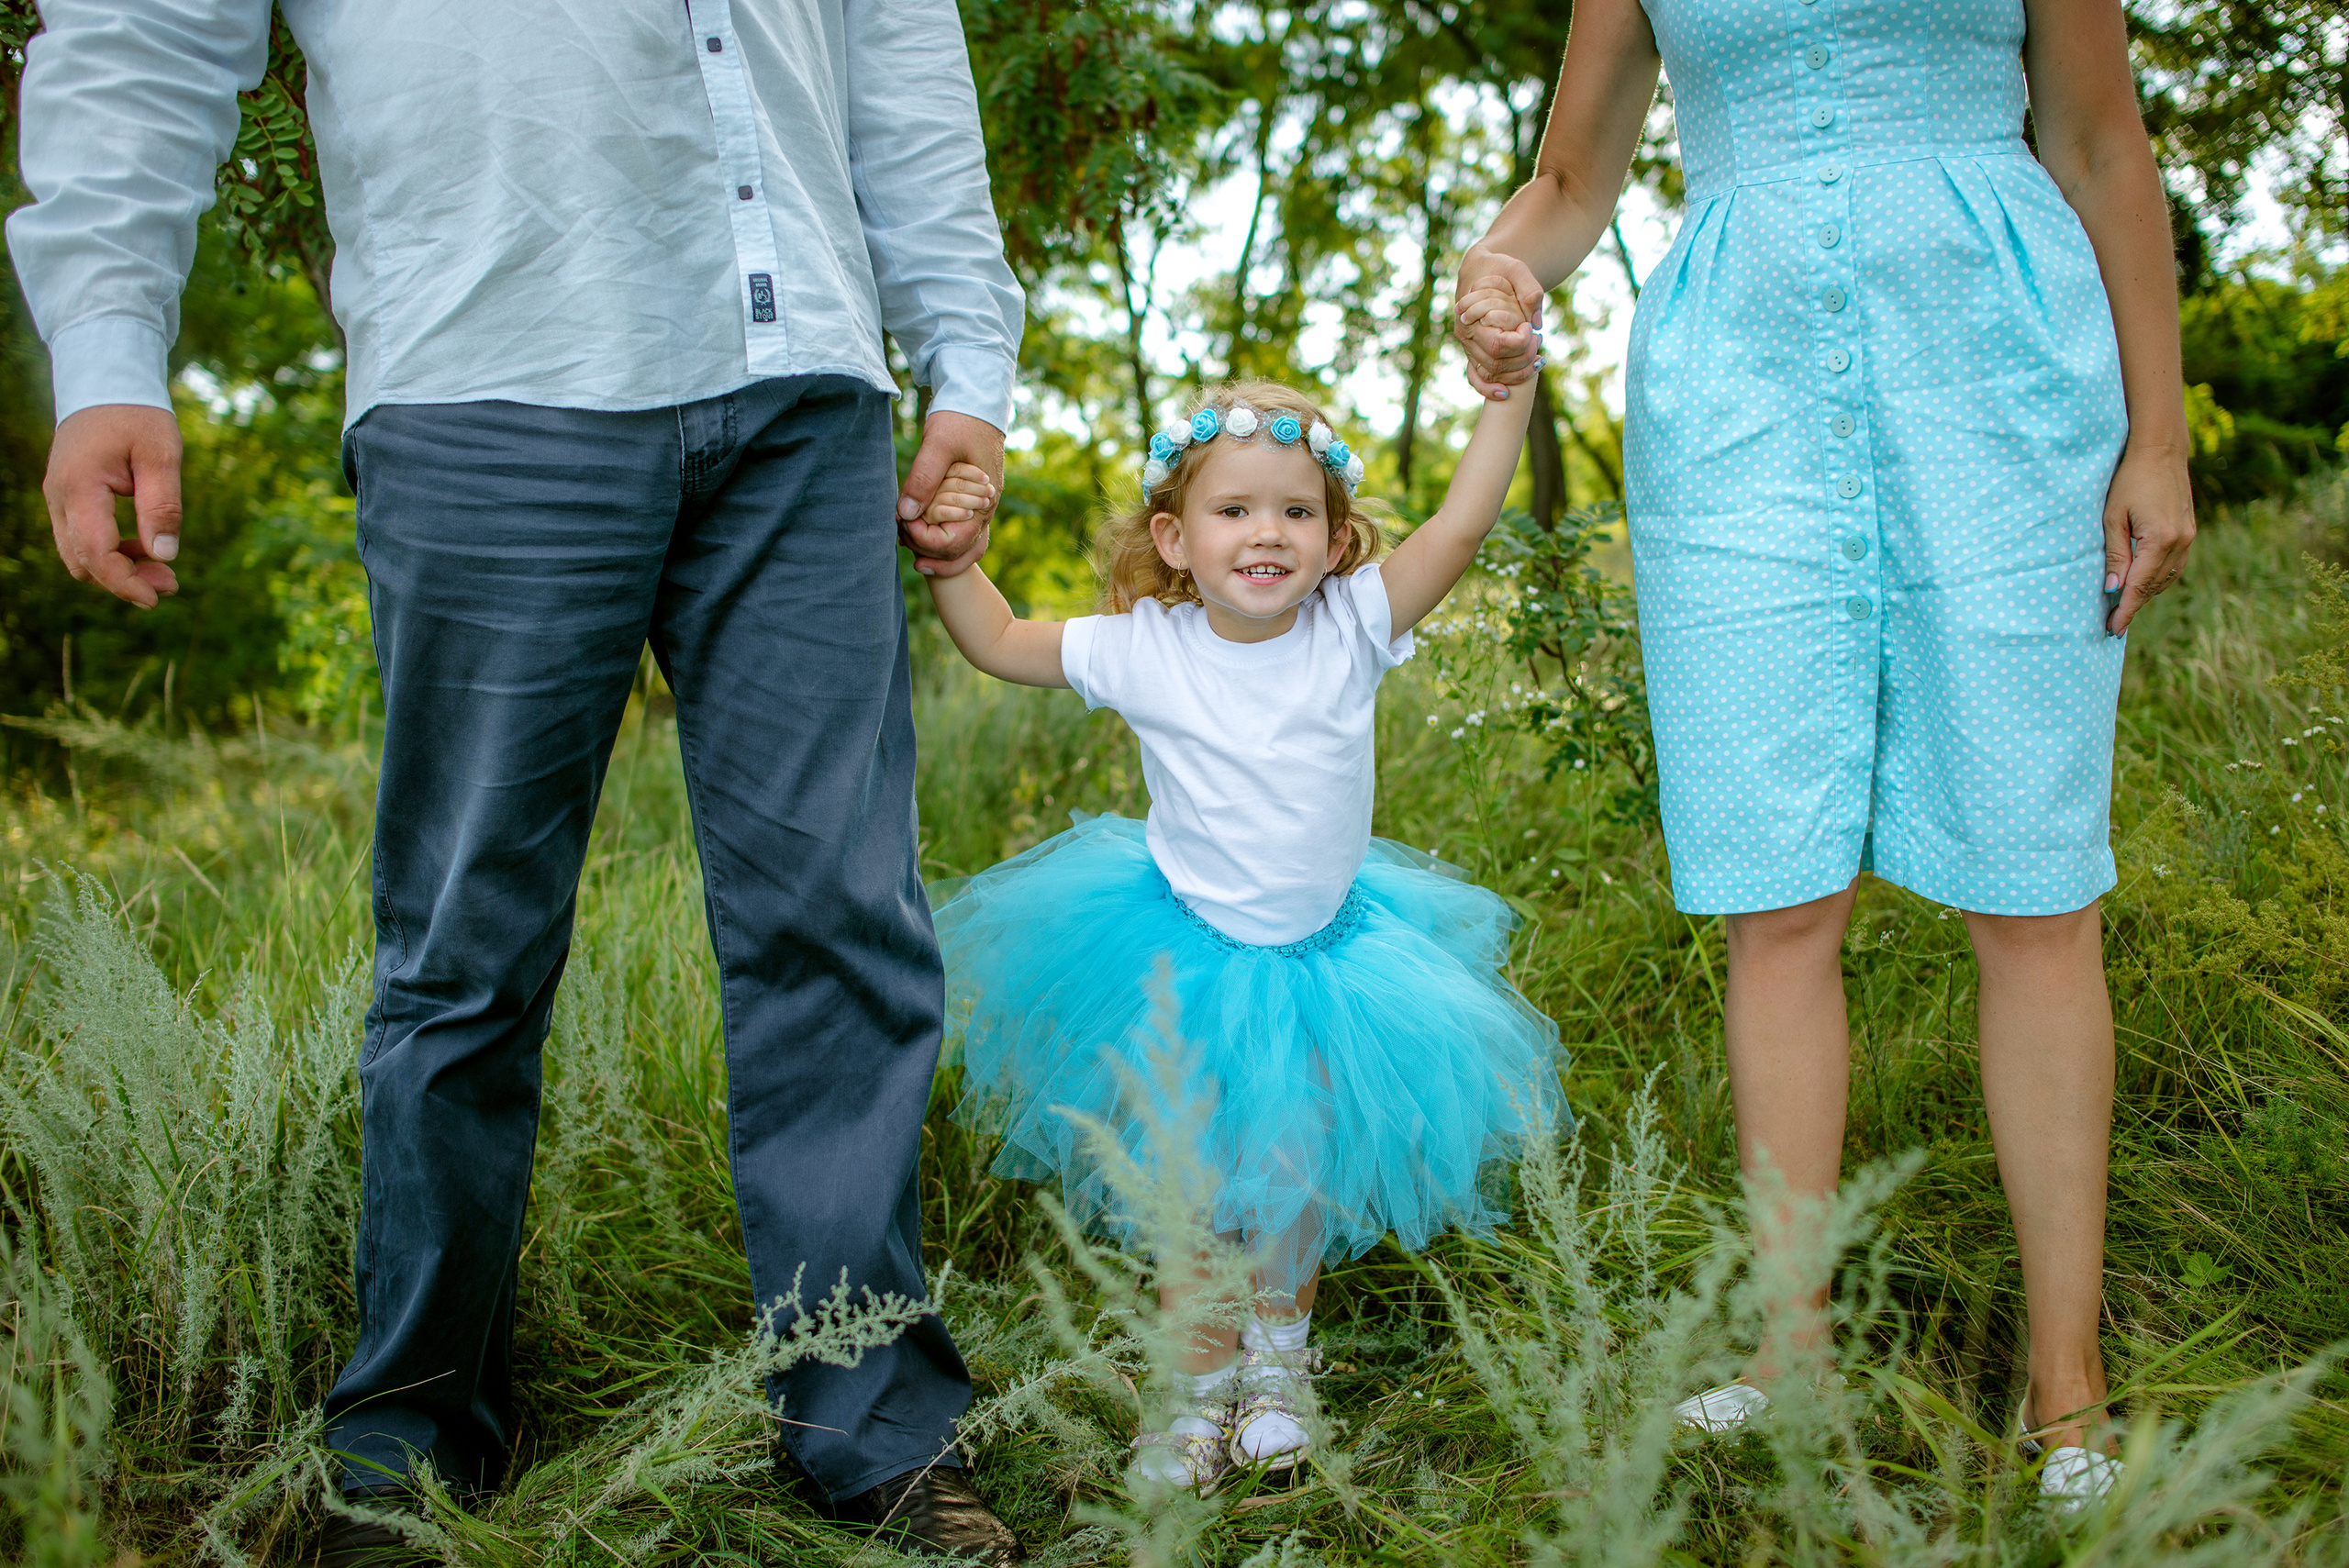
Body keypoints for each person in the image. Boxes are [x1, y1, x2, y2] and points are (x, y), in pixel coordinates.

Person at [9, 4, 1029, 1562]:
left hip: (805, 374)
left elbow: (898, 39)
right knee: (466, 952)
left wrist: (969, 349)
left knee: (842, 925)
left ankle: (873, 1418)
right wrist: (104, 349)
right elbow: (141, 28)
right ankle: (406, 1449)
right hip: (489, 366)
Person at [1451, 0, 2196, 1515]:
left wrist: (2159, 438)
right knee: (1777, 896)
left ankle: (2070, 1398)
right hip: (1736, 399)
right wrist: (1501, 260)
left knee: (2036, 889)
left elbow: (2100, 139)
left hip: (2003, 374)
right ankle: (1793, 1364)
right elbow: (1574, 176)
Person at [906, 351, 1566, 1494]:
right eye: (1233, 509)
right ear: (1175, 539)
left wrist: (1504, 401)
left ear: (1335, 536)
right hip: (1184, 962)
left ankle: (1277, 1368)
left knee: (1292, 1171)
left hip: (1326, 966)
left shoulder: (1352, 627)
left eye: (1296, 511)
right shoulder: (1148, 648)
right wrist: (955, 561)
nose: (1267, 532)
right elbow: (1000, 640)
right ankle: (1192, 1385)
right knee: (1194, 1185)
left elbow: (1458, 529)